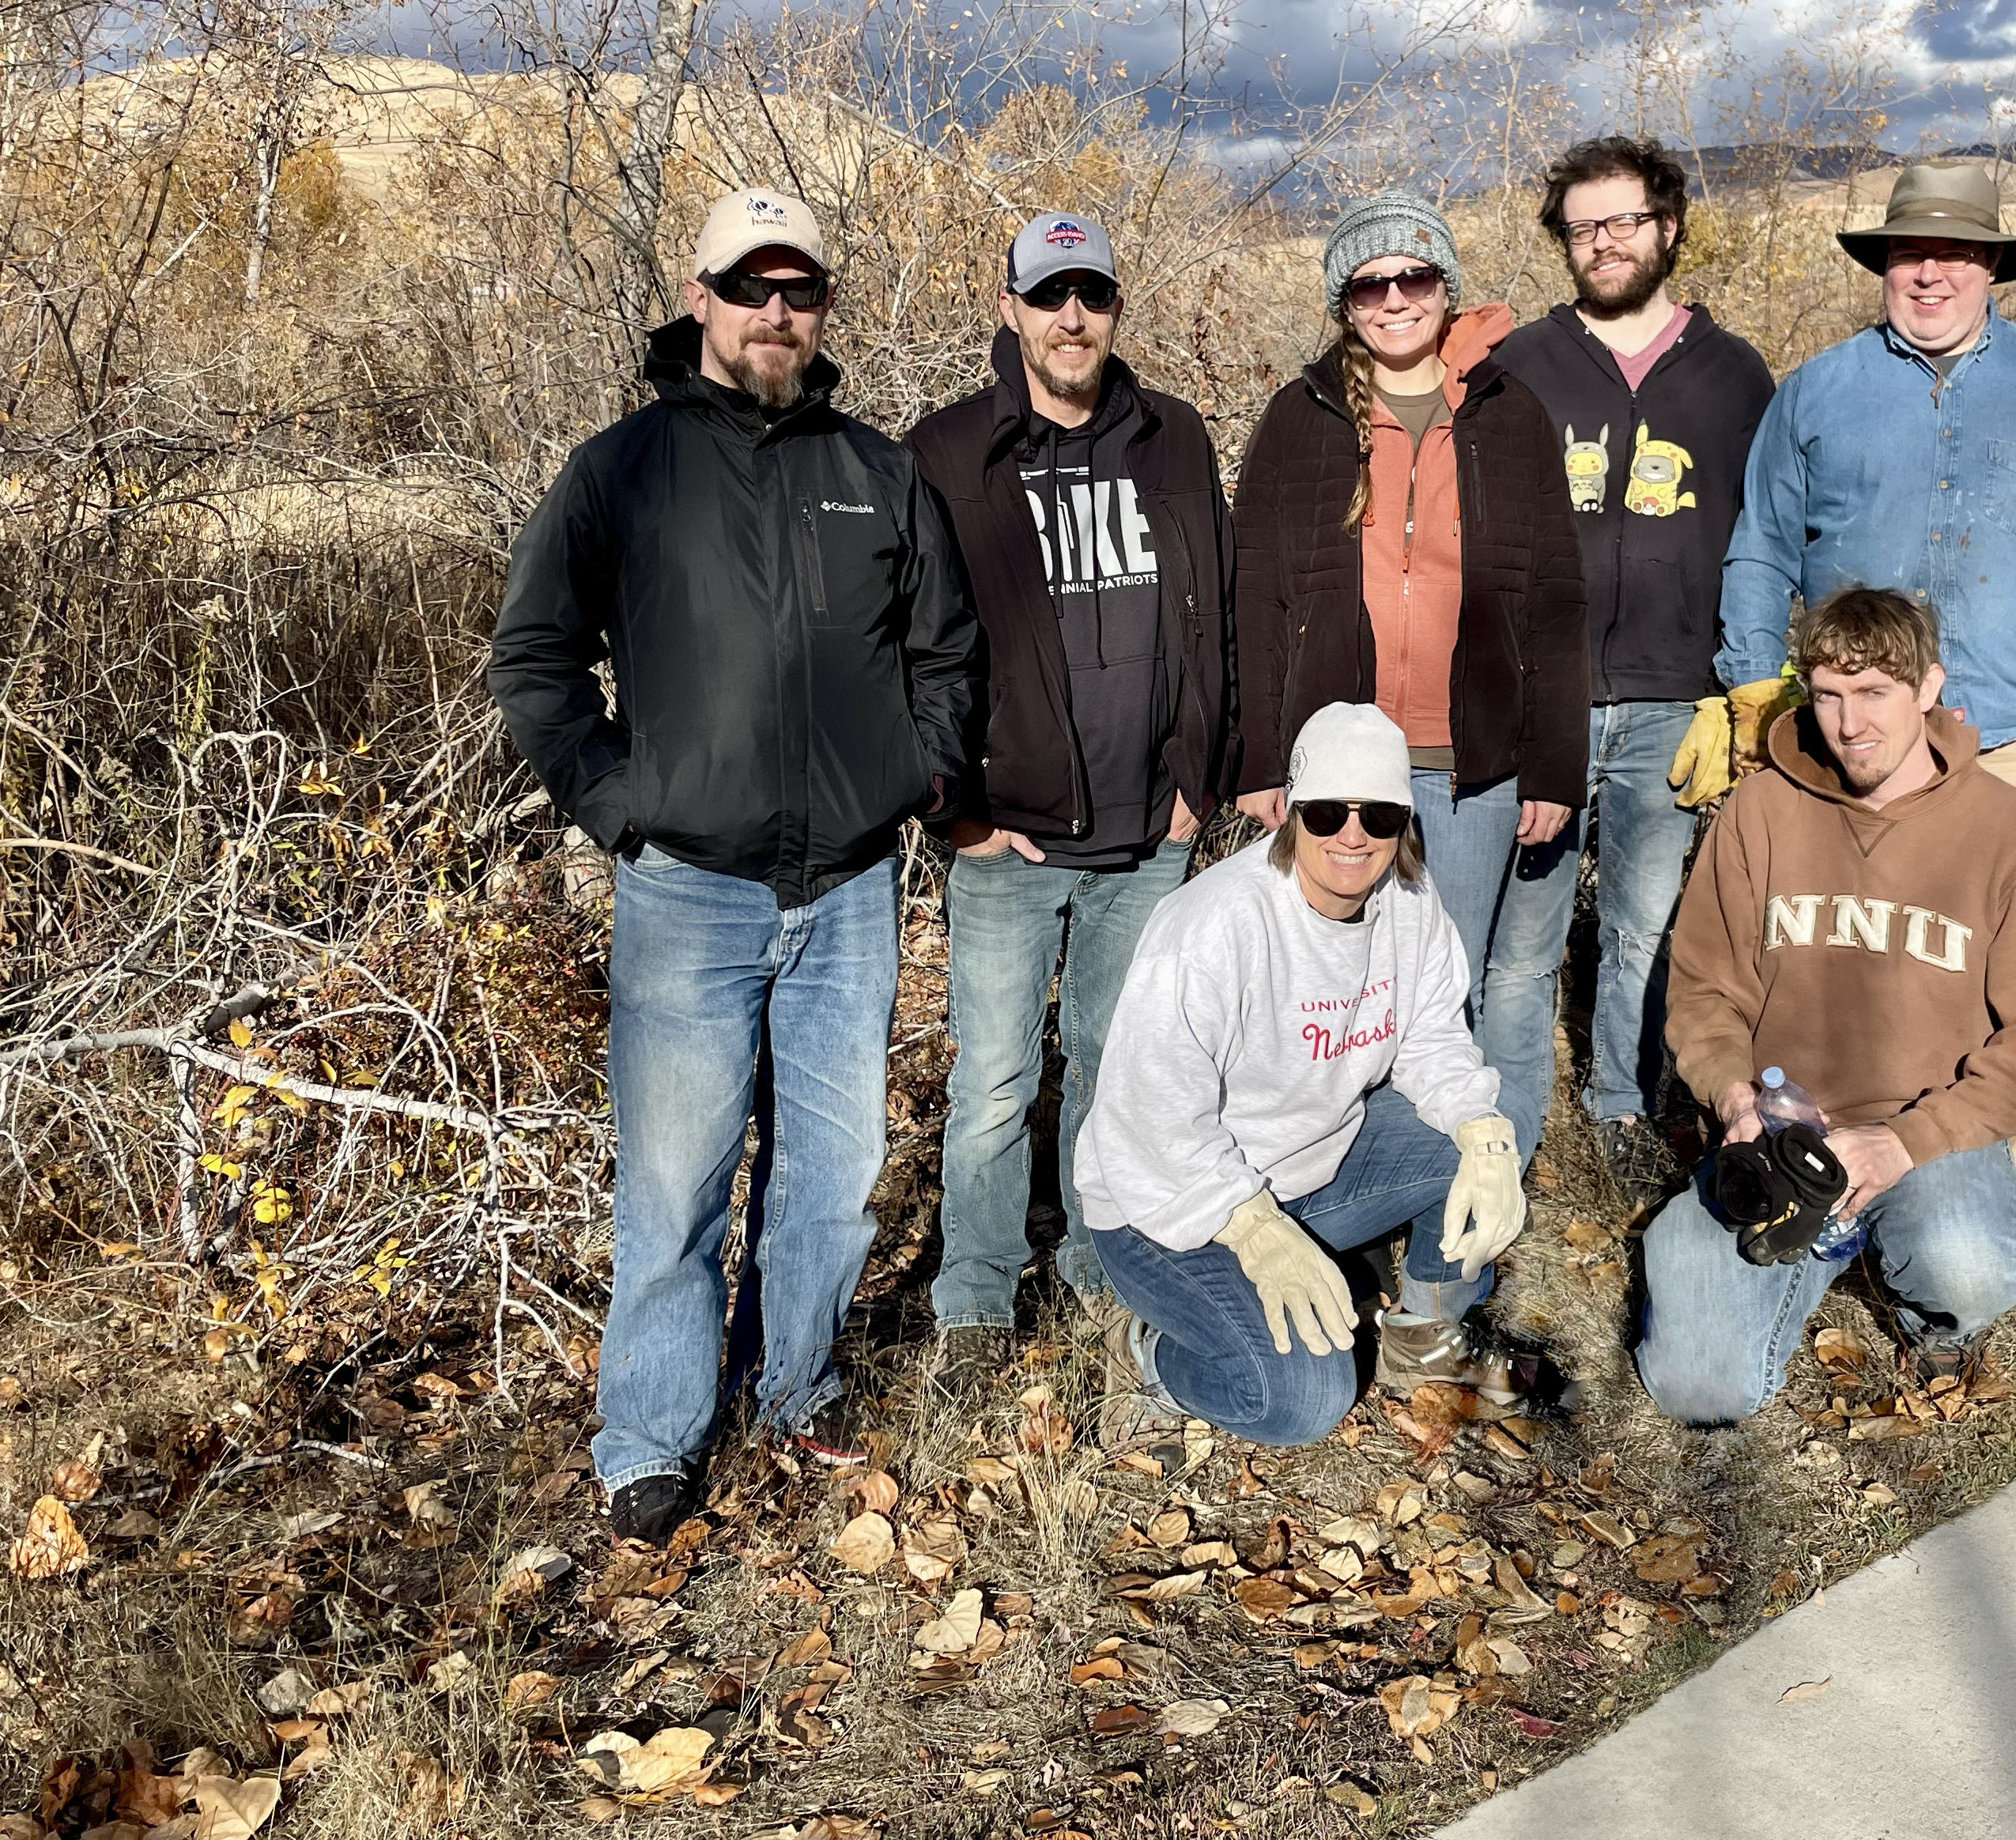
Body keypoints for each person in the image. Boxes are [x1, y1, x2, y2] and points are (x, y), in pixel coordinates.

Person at [490, 185, 983, 1540]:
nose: (778, 312)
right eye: (750, 286)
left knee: (831, 1169)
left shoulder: (875, 471)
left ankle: (800, 1385)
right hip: (687, 886)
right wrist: (609, 792)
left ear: (822, 306)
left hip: (847, 887)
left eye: (801, 289)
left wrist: (922, 773)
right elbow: (531, 655)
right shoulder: (622, 468)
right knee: (675, 1176)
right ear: (697, 296)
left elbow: (944, 650)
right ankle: (650, 1433)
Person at [1693, 159, 2016, 1275]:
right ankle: (1817, 1152)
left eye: (1956, 252)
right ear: (1883, 265)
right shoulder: (1818, 392)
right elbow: (1761, 542)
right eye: (1912, 251)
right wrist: (1755, 686)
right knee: (1853, 958)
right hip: (1859, 742)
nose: (1933, 271)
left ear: (1995, 265)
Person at [1230, 188, 1586, 1386]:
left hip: (1473, 764)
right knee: (1333, 1006)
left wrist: (1551, 760)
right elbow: (1254, 600)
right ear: (1345, 303)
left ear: (1445, 289)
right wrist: (1256, 763)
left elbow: (1554, 603)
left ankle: (1445, 1281)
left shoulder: (1510, 416)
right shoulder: (1301, 419)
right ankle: (1317, 1234)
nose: (1396, 303)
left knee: (1462, 1007)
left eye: (1415, 282)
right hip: (1341, 773)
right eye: (1372, 286)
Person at [905, 213, 1234, 1396]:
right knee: (993, 1080)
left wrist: (1202, 777)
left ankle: (1101, 1268)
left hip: (1150, 831)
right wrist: (949, 807)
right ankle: (979, 1295)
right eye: (1049, 296)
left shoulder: (1175, 440)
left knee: (1113, 1063)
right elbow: (903, 644)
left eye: (1090, 293)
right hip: (1007, 838)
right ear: (1010, 310)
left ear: (1114, 306)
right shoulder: (946, 455)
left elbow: (1219, 611)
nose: (1071, 317)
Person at [1637, 589, 2016, 1422]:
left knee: (1967, 1268)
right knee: (1696, 1393)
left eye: (1876, 692)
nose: (1851, 725)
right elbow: (1703, 989)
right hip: (1782, 1142)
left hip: (1928, 1138)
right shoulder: (1761, 811)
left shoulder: (2012, 831)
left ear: (1928, 689)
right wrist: (1735, 1095)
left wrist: (1906, 1142)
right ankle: (1807, 1252)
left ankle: (1932, 1316)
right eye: (1829, 696)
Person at [1074, 702, 1525, 1445]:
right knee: (1306, 1399)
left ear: (1404, 825)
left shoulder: (1408, 902)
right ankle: (1152, 1354)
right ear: (1291, 815)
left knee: (1474, 1149)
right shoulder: (1214, 926)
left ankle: (1423, 1339)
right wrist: (1252, 1228)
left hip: (1311, 1172)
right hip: (1167, 1205)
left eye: (1379, 816)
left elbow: (1430, 1036)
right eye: (1327, 814)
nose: (1354, 836)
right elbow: (1152, 1118)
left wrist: (1483, 1127)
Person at [1486, 135, 1775, 1204]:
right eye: (1582, 225)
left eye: (1624, 221)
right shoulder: (1520, 364)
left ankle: (1623, 1109)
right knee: (1520, 939)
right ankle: (1500, 1130)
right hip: (1542, 702)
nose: (1604, 241)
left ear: (1669, 227)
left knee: (1646, 924)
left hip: (1672, 700)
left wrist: (1744, 685)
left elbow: (1768, 537)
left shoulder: (1736, 375)